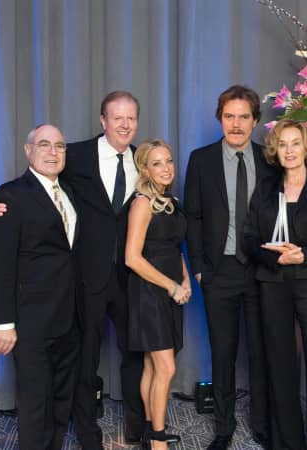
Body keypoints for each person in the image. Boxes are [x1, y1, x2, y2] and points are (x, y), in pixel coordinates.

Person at [0, 91, 149, 448]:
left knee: (131, 357)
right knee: (73, 373)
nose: (124, 125)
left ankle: (137, 429)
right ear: (103, 121)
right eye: (116, 118)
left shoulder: (144, 160)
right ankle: (87, 435)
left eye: (131, 119)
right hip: (78, 287)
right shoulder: (72, 155)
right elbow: (29, 200)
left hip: (127, 278)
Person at [243, 119, 307, 450]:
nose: (289, 150)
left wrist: (304, 256)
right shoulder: (265, 188)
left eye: (295, 143)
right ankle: (286, 442)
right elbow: (248, 239)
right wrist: (276, 259)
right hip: (273, 283)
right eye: (283, 144)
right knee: (280, 363)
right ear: (276, 150)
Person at [184, 85, 275, 449]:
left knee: (260, 351)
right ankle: (223, 427)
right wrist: (201, 269)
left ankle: (261, 424)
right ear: (220, 118)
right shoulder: (201, 160)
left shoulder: (269, 160)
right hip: (218, 271)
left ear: (255, 121)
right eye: (229, 116)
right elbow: (192, 216)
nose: (236, 124)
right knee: (222, 353)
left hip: (259, 270)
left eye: (243, 117)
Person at [0, 124, 80, 449]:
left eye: (59, 146)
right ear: (28, 151)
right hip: (31, 322)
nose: (53, 152)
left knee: (59, 402)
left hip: (68, 317)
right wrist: (4, 324)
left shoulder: (68, 191)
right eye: (44, 144)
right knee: (34, 404)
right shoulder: (10, 195)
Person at [125, 139, 190, 448]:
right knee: (165, 367)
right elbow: (132, 258)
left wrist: (186, 280)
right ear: (145, 169)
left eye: (169, 161)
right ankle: (159, 441)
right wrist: (172, 285)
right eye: (157, 163)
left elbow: (176, 248)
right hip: (148, 294)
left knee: (153, 366)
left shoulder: (172, 201)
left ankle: (152, 430)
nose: (166, 168)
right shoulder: (141, 203)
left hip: (170, 292)